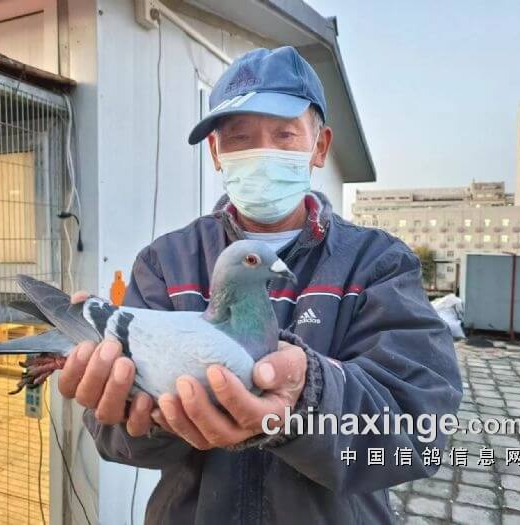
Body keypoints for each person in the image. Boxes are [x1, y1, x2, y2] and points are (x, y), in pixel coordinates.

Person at [58, 46, 462, 524]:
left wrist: (306, 398)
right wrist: (133, 417)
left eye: (284, 134)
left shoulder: (378, 264)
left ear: (320, 146)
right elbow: (116, 438)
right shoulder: (166, 262)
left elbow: (421, 431)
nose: (262, 153)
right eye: (240, 137)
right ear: (216, 153)